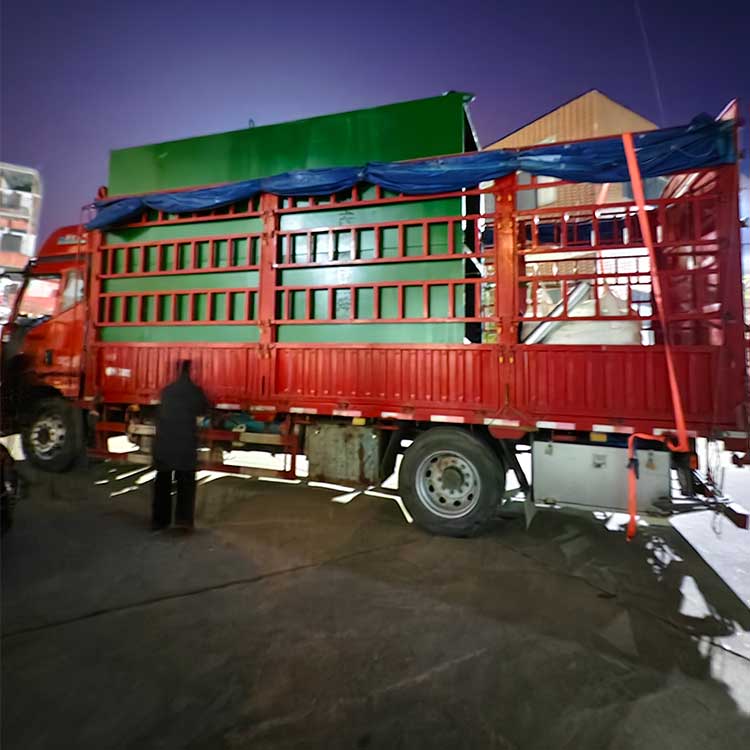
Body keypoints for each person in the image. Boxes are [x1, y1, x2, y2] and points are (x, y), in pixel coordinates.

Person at [152, 360, 209, 531]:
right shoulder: (196, 392)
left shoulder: (167, 391)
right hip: (185, 444)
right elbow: (203, 410)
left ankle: (160, 521)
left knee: (162, 482)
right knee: (186, 483)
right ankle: (183, 521)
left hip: (164, 443)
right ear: (191, 372)